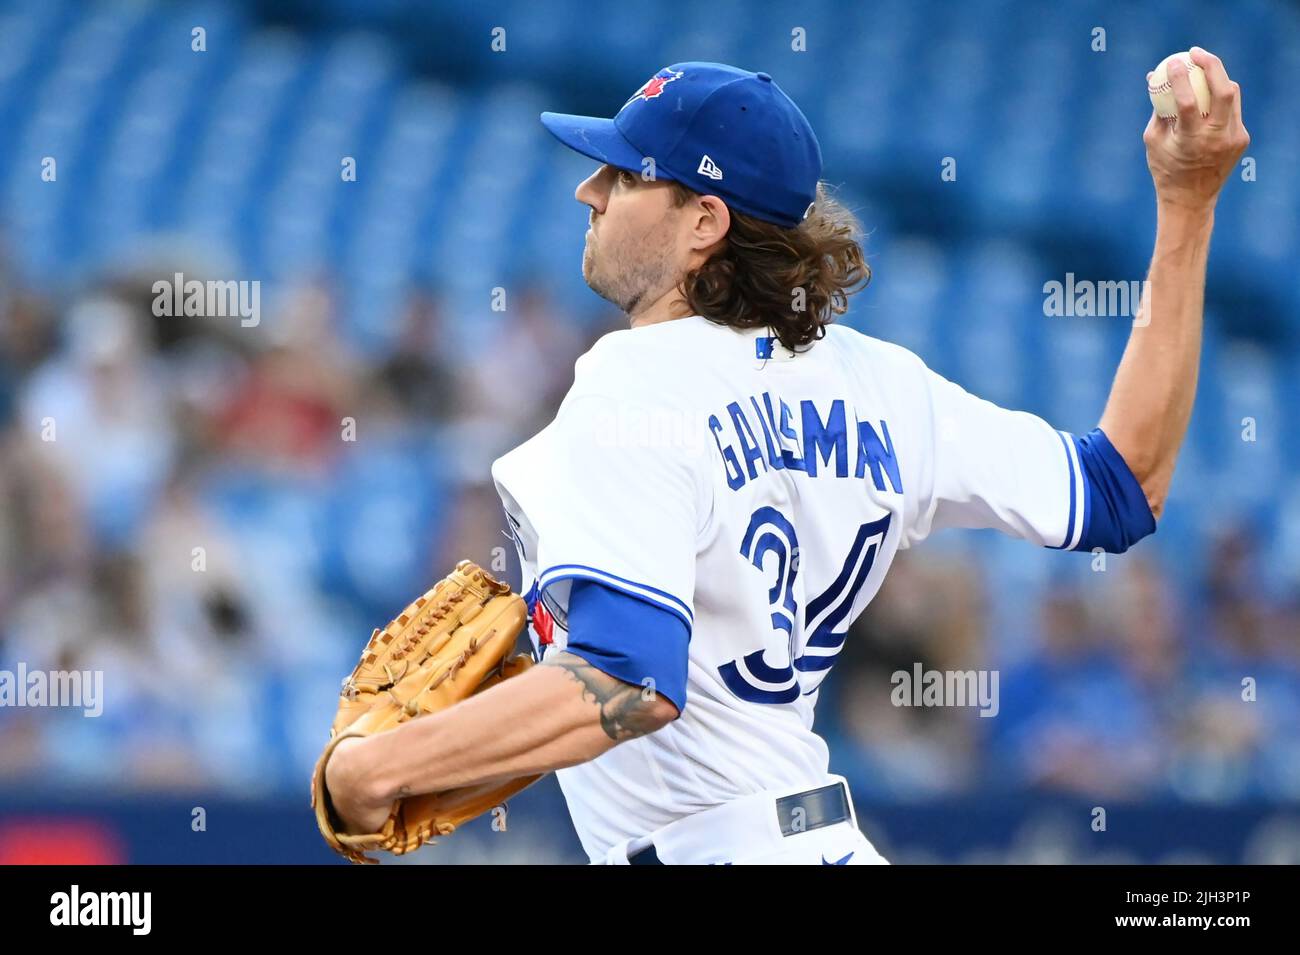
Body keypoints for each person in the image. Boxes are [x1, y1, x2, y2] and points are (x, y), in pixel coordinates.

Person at [324, 55, 1249, 864]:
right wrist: (1188, 204)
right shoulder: (885, 386)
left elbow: (628, 681)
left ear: (704, 222)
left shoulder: (635, 386)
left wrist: (377, 769)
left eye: (625, 173)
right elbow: (1123, 483)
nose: (589, 191)